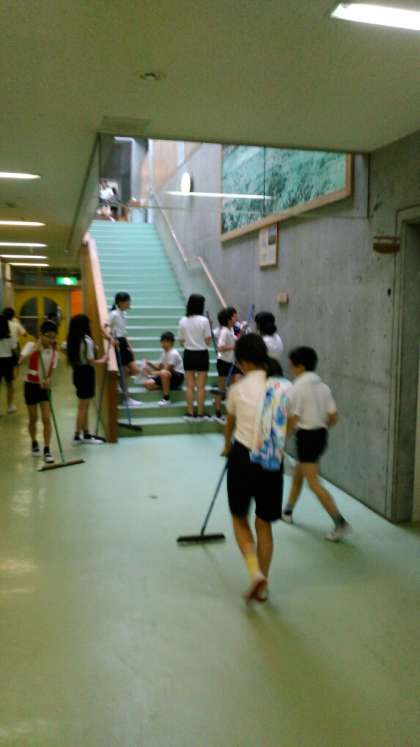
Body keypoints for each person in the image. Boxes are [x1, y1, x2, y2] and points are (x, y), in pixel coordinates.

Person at [222, 334, 289, 603]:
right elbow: (290, 421)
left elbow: (230, 423)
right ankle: (264, 583)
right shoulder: (283, 387)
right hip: (271, 460)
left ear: (243, 362)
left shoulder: (237, 389)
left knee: (240, 518)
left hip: (243, 457)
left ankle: (254, 573)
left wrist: (226, 446)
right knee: (264, 523)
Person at [283, 346, 350, 541]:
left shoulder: (297, 388)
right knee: (299, 473)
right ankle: (288, 511)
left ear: (300, 367)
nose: (291, 369)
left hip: (306, 437)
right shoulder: (323, 387)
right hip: (321, 435)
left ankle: (340, 522)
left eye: (292, 366)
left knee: (313, 483)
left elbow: (293, 418)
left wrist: (281, 441)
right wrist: (320, 427)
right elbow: (334, 417)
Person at [19, 320, 58, 463]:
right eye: (48, 336)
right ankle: (34, 441)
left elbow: (51, 372)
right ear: (41, 335)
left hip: (44, 388)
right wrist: (35, 349)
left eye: (53, 337)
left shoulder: (54, 353)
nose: (51, 340)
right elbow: (20, 361)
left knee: (46, 418)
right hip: (30, 386)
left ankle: (47, 449)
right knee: (33, 418)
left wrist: (49, 380)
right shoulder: (30, 345)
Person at [67, 314, 105, 445]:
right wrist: (104, 360)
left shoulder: (73, 339)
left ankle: (86, 433)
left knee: (84, 405)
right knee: (83, 406)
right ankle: (77, 436)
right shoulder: (86, 340)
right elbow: (91, 361)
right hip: (86, 373)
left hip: (77, 372)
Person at [103, 292, 143, 407]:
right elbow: (103, 327)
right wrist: (111, 338)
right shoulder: (114, 314)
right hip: (118, 343)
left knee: (133, 370)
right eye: (128, 301)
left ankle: (120, 384)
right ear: (120, 303)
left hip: (124, 342)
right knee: (125, 370)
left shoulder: (123, 313)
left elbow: (123, 331)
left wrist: (129, 345)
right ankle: (127, 398)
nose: (129, 303)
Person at [177, 294, 211, 421]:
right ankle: (201, 413)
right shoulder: (204, 321)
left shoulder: (182, 320)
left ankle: (190, 413)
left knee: (189, 386)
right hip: (202, 354)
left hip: (188, 354)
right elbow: (208, 341)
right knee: (201, 387)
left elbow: (181, 342)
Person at [214, 306, 241, 424]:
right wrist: (233, 347)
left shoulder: (230, 330)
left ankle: (232, 413)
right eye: (234, 316)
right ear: (229, 319)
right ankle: (218, 413)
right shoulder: (224, 331)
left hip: (231, 362)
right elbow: (220, 347)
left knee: (234, 387)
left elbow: (235, 340)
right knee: (221, 388)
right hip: (223, 362)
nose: (236, 317)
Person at [143, 331, 184, 407]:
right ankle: (169, 386)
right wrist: (149, 363)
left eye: (165, 342)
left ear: (171, 343)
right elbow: (159, 367)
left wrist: (151, 373)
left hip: (177, 377)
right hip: (166, 375)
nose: (163, 344)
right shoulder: (164, 352)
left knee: (164, 373)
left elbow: (167, 370)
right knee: (147, 384)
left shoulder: (174, 353)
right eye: (162, 342)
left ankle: (166, 398)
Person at [0, 313, 16, 413]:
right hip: (7, 362)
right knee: (10, 384)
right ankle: (10, 406)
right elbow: (14, 348)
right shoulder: (10, 337)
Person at [3, 307, 27, 375]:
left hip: (3, 346)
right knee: (16, 363)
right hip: (14, 347)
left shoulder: (2, 324)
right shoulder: (16, 324)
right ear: (13, 315)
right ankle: (15, 375)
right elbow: (25, 334)